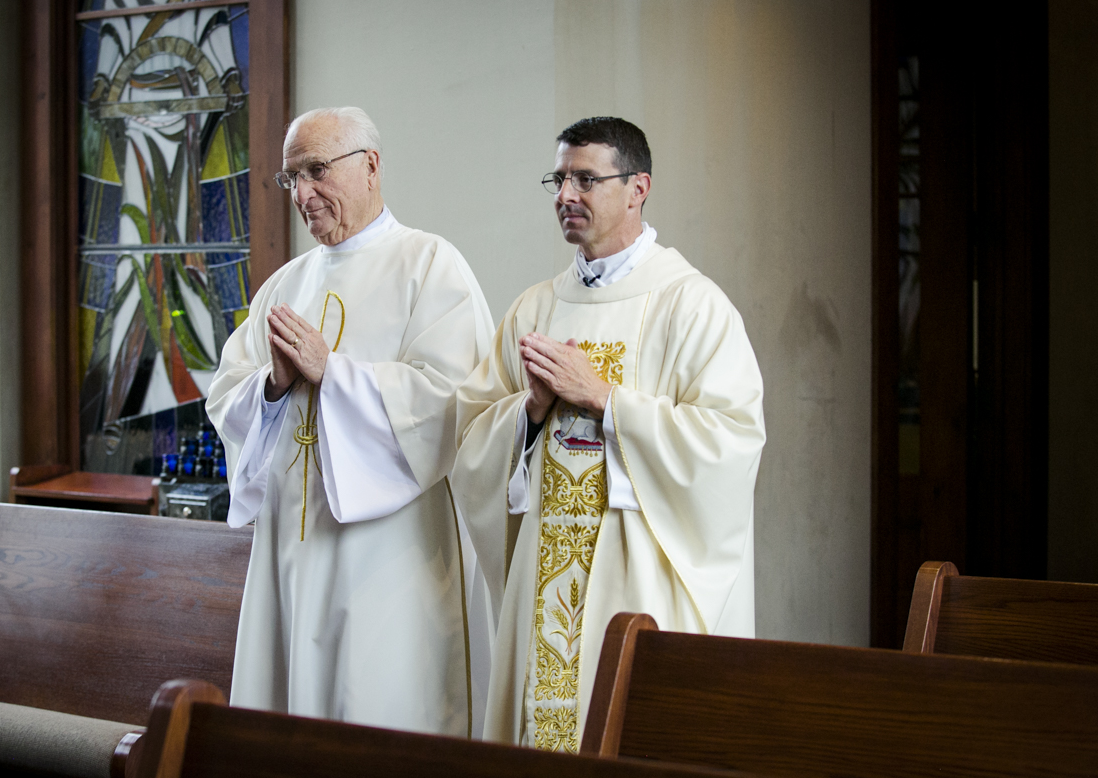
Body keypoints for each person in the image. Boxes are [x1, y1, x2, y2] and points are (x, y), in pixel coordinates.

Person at [452, 117, 765, 752]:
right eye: (559, 180)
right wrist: (530, 412)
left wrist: (607, 401)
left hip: (639, 581)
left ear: (637, 188)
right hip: (545, 580)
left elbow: (731, 441)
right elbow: (470, 441)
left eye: (586, 179)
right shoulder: (535, 308)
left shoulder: (692, 306)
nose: (567, 195)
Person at [207, 106, 494, 736]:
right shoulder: (284, 286)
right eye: (291, 178)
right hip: (290, 555)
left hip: (389, 565)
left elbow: (454, 401)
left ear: (370, 166)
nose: (302, 193)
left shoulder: (430, 266)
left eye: (316, 170)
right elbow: (226, 396)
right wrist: (273, 386)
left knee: (375, 719)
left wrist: (332, 375)